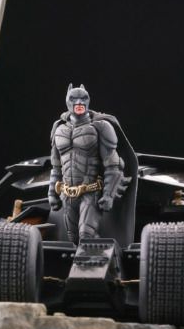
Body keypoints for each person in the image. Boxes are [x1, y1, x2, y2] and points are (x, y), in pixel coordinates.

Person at [48, 83, 130, 243]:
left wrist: (108, 195)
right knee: (73, 238)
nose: (79, 102)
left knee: (87, 234)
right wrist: (52, 193)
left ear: (88, 100)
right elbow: (56, 166)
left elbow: (113, 166)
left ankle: (98, 256)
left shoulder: (101, 127)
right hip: (67, 194)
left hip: (90, 193)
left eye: (83, 98)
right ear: (67, 101)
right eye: (74, 99)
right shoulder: (58, 129)